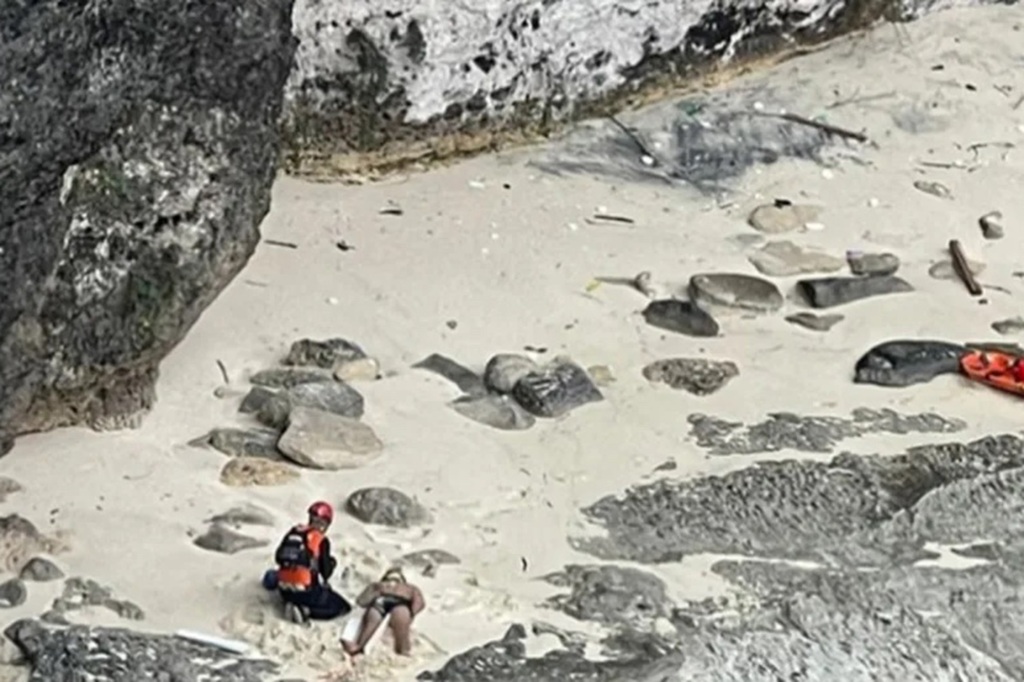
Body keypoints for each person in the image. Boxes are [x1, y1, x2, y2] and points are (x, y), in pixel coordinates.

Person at [273, 500, 352, 624]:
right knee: (342, 607)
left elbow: (278, 558)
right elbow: (326, 573)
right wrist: (332, 563)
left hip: (283, 591)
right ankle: (305, 611)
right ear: (325, 523)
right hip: (305, 591)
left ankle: (291, 604)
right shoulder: (321, 539)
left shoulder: (294, 531)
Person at [342, 568, 425, 656]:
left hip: (389, 603)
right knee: (377, 618)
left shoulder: (409, 588)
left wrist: (412, 612)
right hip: (392, 603)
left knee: (392, 617)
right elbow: (420, 603)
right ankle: (402, 648)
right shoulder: (408, 588)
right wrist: (412, 612)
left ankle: (361, 646)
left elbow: (361, 601)